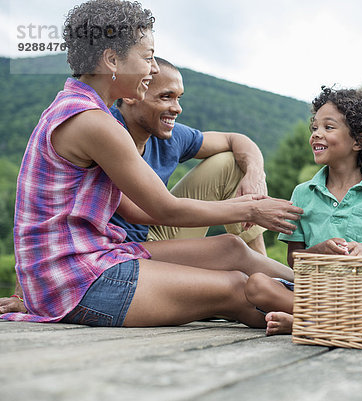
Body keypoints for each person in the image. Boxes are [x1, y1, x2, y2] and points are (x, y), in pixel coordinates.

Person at [0, 0, 302, 328]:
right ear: (112, 60)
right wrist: (251, 210)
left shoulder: (77, 108)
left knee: (231, 249)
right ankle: (338, 314)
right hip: (75, 282)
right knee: (237, 287)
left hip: (95, 257)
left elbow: (135, 210)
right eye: (147, 57)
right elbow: (165, 209)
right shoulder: (94, 122)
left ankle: (325, 290)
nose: (154, 68)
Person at [244, 86, 362, 335]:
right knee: (256, 285)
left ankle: (305, 323)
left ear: (359, 141)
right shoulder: (302, 193)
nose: (316, 134)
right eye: (315, 127)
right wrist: (319, 251)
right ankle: (327, 323)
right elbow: (293, 261)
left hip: (361, 295)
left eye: (328, 127)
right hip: (313, 292)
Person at [110, 56, 268, 254]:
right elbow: (140, 212)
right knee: (231, 252)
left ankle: (263, 267)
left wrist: (255, 175)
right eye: (166, 97)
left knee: (231, 162)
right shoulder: (107, 133)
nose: (177, 108)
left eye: (178, 98)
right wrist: (242, 208)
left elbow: (234, 139)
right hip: (120, 249)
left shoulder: (168, 134)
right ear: (131, 94)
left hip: (157, 230)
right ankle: (270, 275)